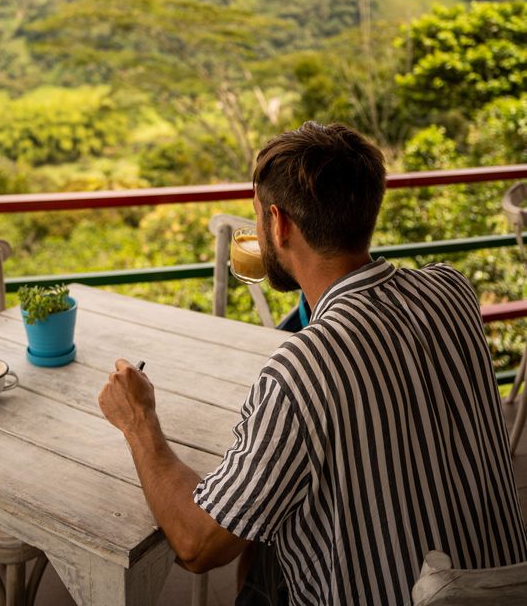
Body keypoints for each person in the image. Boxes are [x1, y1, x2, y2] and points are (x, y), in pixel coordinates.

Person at [98, 121, 527, 605]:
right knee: (264, 536)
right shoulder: (452, 290)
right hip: (502, 588)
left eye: (258, 216)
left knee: (250, 538)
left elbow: (198, 546)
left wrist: (139, 422)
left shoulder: (300, 370)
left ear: (278, 225)